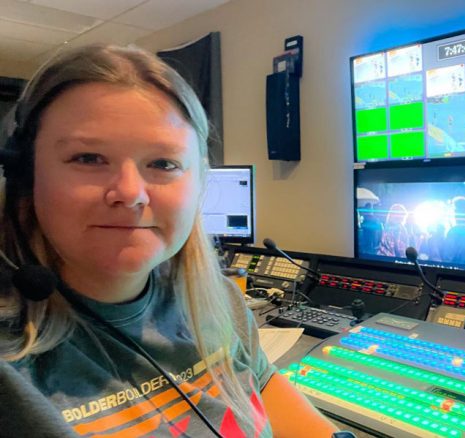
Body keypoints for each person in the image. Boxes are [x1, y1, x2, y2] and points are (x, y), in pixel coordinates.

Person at [0, 44, 337, 437]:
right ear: (26, 177)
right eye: (88, 158)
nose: (131, 193)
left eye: (163, 163)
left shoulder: (220, 304)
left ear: (198, 184)